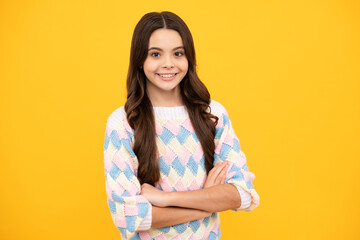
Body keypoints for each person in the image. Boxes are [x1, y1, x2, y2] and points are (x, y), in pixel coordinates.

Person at [103, 11, 260, 240]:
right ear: (140, 60)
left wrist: (166, 199)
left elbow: (243, 195)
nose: (168, 64)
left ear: (189, 58)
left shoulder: (212, 114)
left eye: (178, 53)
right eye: (155, 54)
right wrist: (208, 199)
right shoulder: (122, 123)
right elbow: (127, 216)